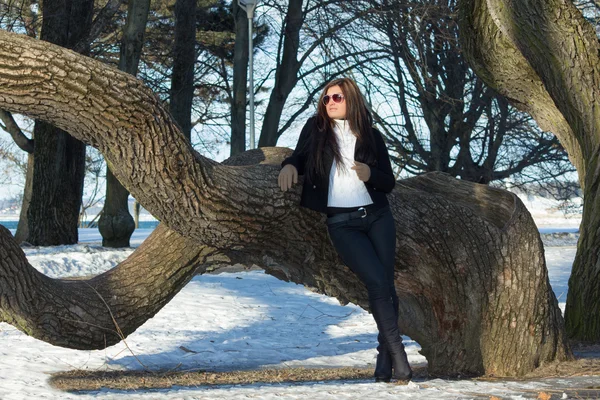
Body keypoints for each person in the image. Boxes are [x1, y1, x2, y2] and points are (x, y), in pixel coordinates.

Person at [277, 77, 412, 383]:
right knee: (377, 281)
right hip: (342, 223)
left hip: (378, 216)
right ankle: (399, 356)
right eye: (326, 99)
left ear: (351, 99)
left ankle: (384, 358)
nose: (330, 103)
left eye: (336, 97)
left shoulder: (371, 135)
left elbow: (388, 182)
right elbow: (298, 156)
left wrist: (370, 174)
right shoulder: (316, 129)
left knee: (387, 286)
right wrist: (288, 166)